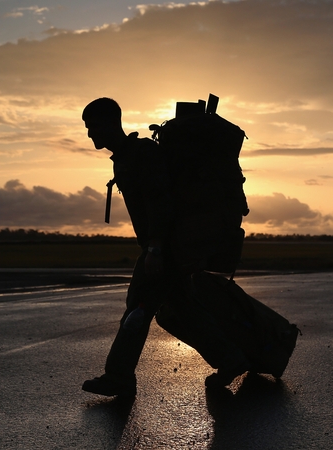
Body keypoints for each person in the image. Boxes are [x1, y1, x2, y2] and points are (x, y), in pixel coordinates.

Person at [81, 98, 250, 397]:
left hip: (168, 247)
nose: (90, 134)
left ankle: (119, 376)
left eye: (92, 127)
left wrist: (155, 249)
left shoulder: (141, 155)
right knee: (183, 309)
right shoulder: (128, 156)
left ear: (109, 123)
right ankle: (231, 359)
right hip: (167, 246)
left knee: (139, 305)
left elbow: (161, 202)